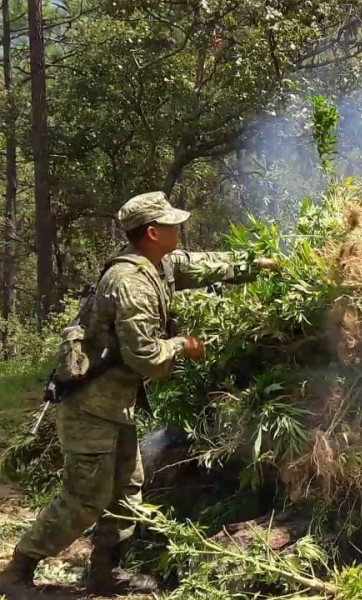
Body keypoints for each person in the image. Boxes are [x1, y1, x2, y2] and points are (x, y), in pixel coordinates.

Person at [0, 191, 278, 596]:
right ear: (152, 232)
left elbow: (200, 264)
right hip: (90, 406)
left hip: (116, 405)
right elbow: (145, 355)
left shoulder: (157, 264)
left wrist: (260, 264)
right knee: (85, 499)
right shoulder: (131, 283)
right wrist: (185, 345)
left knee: (126, 490)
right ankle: (17, 572)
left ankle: (104, 573)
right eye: (172, 224)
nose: (179, 229)